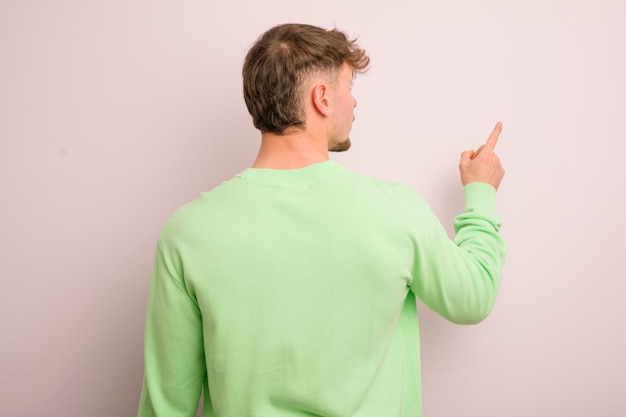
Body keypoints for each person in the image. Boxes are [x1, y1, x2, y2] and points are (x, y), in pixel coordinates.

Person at [137, 23, 506, 417]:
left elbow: (166, 406)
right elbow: (473, 296)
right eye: (349, 87)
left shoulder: (188, 232)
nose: (354, 103)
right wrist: (481, 193)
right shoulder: (395, 211)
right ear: (323, 98)